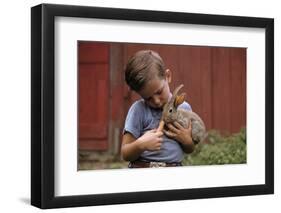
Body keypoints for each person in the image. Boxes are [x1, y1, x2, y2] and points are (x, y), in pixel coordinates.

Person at [121, 50, 195, 168]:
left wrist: (186, 140)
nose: (156, 101)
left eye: (159, 92)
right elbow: (125, 153)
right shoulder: (138, 110)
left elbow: (189, 149)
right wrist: (140, 145)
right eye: (148, 98)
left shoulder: (183, 108)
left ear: (168, 76)